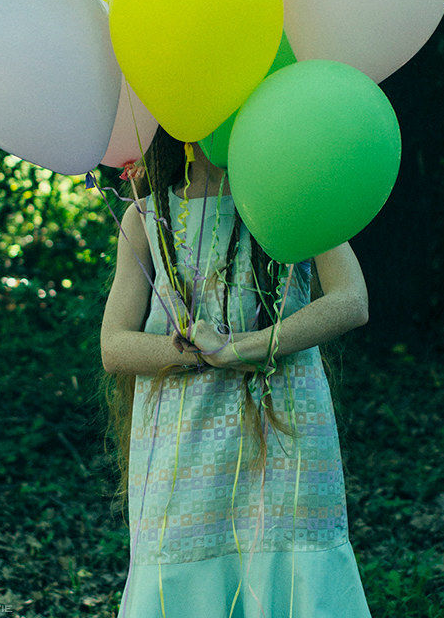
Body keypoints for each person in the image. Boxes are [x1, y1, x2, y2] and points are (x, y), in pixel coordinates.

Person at [101, 127, 372, 618]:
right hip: (185, 439)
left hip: (283, 427)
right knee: (186, 563)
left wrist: (251, 346)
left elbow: (351, 299)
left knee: (288, 554)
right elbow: (114, 345)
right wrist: (195, 351)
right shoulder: (146, 216)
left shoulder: (290, 192)